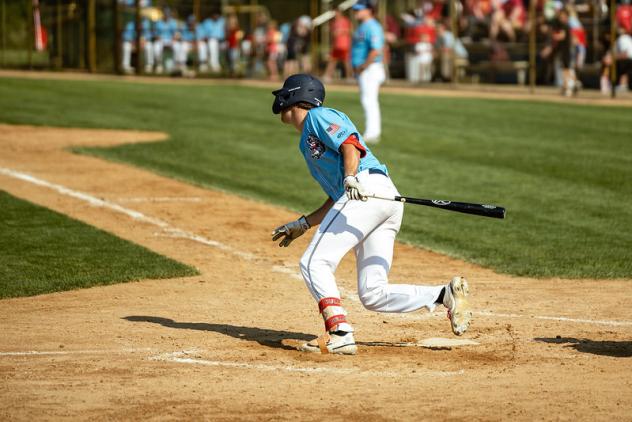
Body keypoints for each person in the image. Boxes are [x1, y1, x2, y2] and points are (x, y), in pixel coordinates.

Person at [270, 74, 472, 355]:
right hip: (375, 198)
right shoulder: (307, 137)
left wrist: (352, 177)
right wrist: (303, 223)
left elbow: (349, 143)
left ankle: (340, 333)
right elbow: (339, 197)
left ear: (293, 96)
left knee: (314, 262)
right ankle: (443, 295)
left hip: (368, 187)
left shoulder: (318, 116)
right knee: (373, 293)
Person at [351, 0, 386, 144]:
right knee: (367, 100)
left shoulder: (372, 26)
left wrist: (364, 66)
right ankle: (372, 132)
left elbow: (376, 50)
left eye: (359, 9)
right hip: (365, 69)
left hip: (371, 69)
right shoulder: (363, 26)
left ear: (369, 10)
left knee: (369, 101)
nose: (356, 12)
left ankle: (372, 133)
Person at [323, 8, 353, 83]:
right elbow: (332, 34)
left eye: (336, 13)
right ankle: (327, 76)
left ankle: (350, 77)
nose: (335, 14)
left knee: (346, 62)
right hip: (336, 45)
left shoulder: (345, 21)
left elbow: (350, 31)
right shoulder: (333, 22)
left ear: (340, 13)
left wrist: (341, 31)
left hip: (345, 45)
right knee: (332, 61)